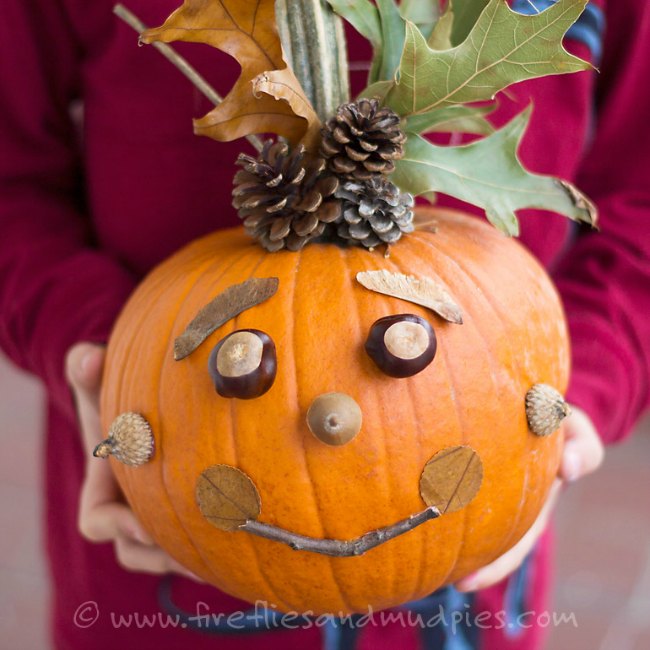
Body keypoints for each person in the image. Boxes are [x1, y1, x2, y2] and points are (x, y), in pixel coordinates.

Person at [0, 0, 647, 648]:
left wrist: (587, 384)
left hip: (474, 545)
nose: (333, 417)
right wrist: (98, 348)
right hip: (164, 521)